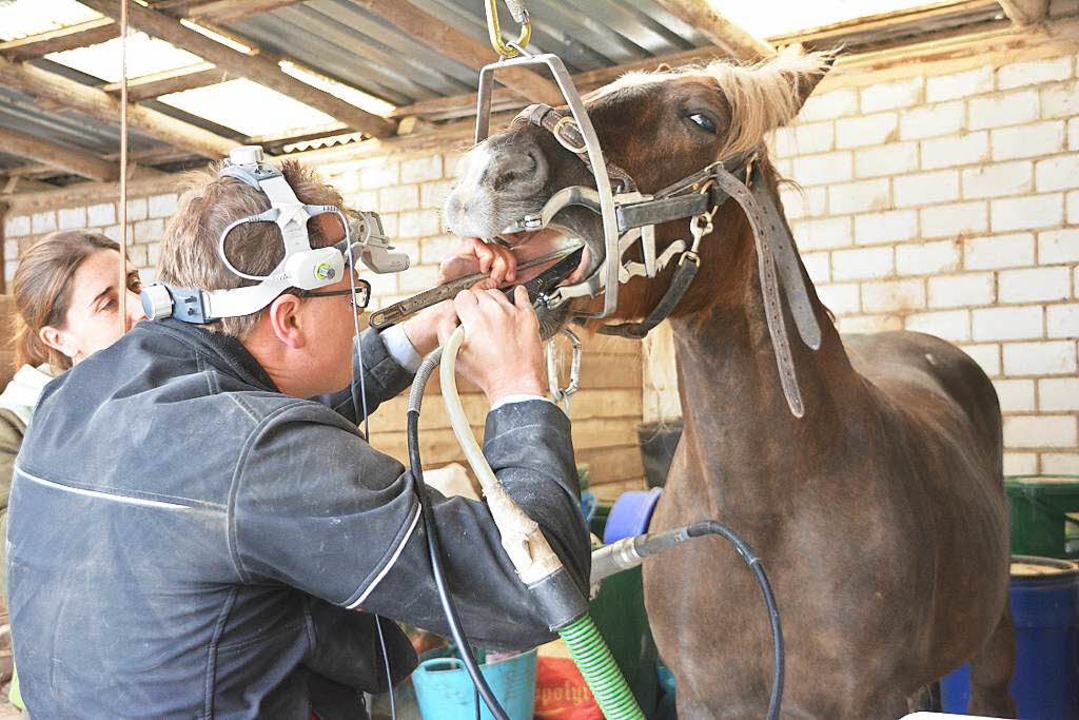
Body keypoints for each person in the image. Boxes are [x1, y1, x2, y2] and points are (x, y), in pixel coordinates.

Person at [7, 156, 589, 718]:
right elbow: (529, 592)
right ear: (287, 319)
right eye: (352, 296)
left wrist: (416, 335)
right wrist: (518, 391)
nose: (360, 316)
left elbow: (244, 432)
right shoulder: (259, 456)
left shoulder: (77, 399)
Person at [0, 230, 146, 704]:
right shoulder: (13, 428)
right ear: (56, 337)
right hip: (71, 689)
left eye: (135, 284)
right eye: (107, 303)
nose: (140, 309)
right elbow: (21, 566)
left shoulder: (165, 391)